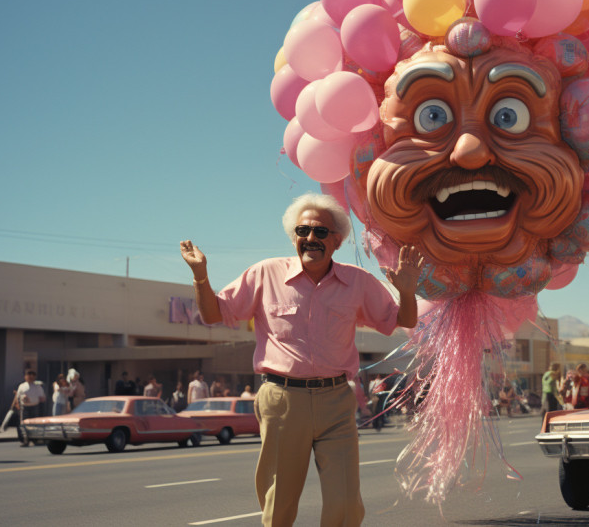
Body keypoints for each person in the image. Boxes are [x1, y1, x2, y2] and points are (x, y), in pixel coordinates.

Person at [180, 192, 422, 527]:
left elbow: (403, 320)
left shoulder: (359, 282)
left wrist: (407, 292)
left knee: (346, 503)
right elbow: (212, 314)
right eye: (303, 231)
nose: (310, 238)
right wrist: (201, 276)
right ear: (294, 236)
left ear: (336, 240)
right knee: (279, 503)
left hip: (337, 400)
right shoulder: (265, 274)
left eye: (320, 232)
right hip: (282, 400)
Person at [16, 369, 46, 446]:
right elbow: (17, 397)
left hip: (35, 407)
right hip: (25, 408)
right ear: (25, 377)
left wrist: (39, 399)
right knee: (24, 424)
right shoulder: (22, 386)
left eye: (32, 376)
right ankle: (25, 440)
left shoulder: (37, 386)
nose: (30, 378)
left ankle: (35, 439)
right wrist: (20, 402)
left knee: (34, 424)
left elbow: (43, 398)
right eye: (29, 376)